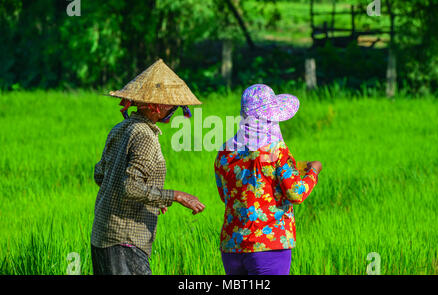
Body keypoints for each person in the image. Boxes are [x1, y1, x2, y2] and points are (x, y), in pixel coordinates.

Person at [91, 59, 206, 275]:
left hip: (103, 234)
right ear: (157, 107)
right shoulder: (145, 136)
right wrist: (176, 196)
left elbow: (100, 175)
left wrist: (155, 197)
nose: (174, 110)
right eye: (172, 105)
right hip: (125, 240)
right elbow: (131, 187)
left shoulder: (120, 128)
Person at [214, 84, 322, 275]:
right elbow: (296, 193)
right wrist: (313, 171)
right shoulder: (276, 151)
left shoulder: (225, 153)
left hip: (232, 246)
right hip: (268, 247)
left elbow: (225, 195)